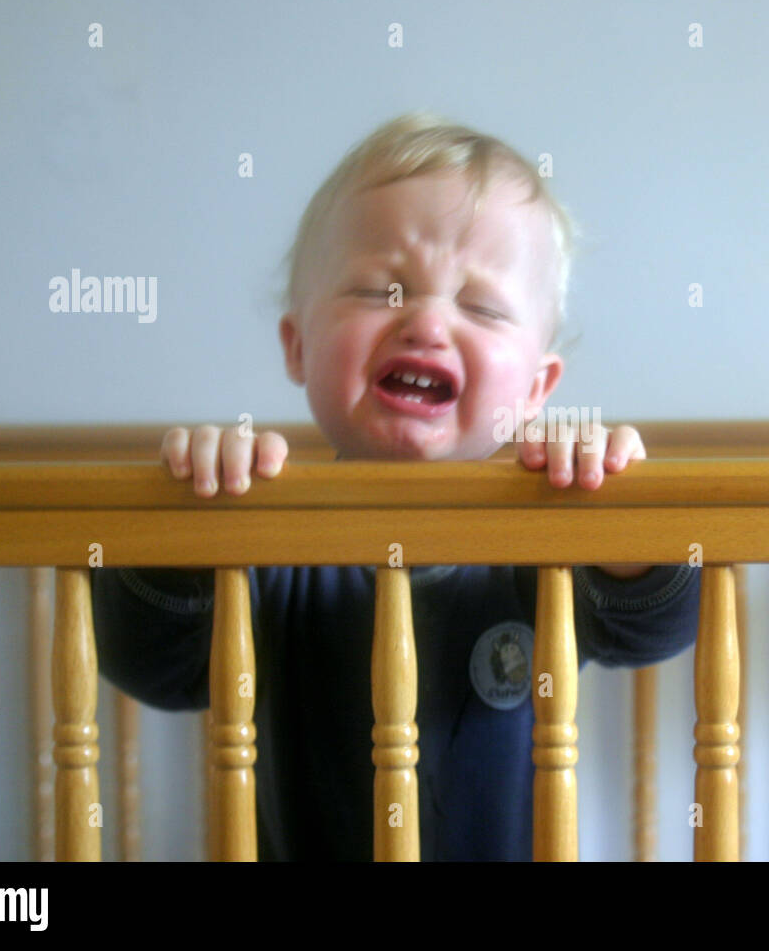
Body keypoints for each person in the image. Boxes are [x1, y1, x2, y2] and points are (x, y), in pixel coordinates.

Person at [91, 111, 701, 860]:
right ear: (298, 345)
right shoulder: (263, 534)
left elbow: (654, 628)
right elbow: (150, 664)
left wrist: (618, 514)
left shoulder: (546, 537)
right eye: (383, 290)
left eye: (479, 306)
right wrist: (186, 527)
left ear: (539, 388)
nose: (426, 323)